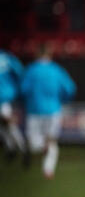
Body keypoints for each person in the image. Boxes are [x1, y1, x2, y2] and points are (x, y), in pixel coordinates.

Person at [21, 45, 76, 179]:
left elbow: (23, 90)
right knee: (52, 141)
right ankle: (48, 170)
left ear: (37, 55)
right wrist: (62, 100)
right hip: (53, 110)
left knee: (34, 143)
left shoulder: (31, 70)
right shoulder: (56, 70)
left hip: (34, 110)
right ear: (49, 55)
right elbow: (70, 88)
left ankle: (41, 147)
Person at [0, 49, 26, 159]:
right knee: (4, 125)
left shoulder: (6, 57)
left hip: (3, 97)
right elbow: (20, 73)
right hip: (6, 94)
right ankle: (12, 148)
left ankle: (23, 148)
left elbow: (20, 73)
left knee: (8, 124)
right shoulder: (7, 57)